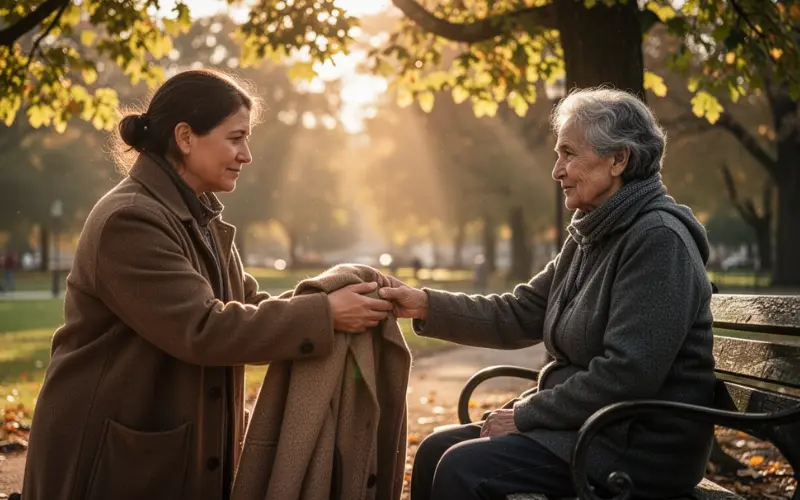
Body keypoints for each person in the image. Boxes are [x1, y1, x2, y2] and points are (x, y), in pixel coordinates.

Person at [21, 69, 394, 500]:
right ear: (185, 137)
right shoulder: (130, 220)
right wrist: (325, 314)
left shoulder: (195, 215)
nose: (247, 154)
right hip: (109, 462)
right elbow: (203, 328)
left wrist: (344, 294)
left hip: (158, 456)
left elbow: (247, 304)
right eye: (235, 138)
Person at [379, 87, 716, 499]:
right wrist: (424, 303)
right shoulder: (592, 233)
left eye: (569, 154)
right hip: (592, 427)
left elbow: (628, 374)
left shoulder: (658, 240)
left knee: (463, 469)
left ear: (618, 160)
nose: (557, 171)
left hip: (636, 445)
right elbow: (522, 312)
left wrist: (526, 415)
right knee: (435, 450)